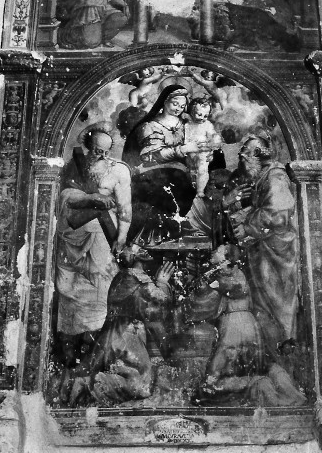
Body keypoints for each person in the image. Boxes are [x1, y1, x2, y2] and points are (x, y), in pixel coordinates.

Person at [182, 244, 307, 407]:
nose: (213, 252)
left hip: (237, 323)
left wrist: (211, 282)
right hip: (239, 322)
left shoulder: (233, 273)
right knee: (240, 363)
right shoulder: (221, 273)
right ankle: (247, 387)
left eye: (218, 251)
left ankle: (241, 388)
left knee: (224, 363)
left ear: (226, 258)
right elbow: (209, 297)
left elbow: (234, 288)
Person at [55, 122, 132, 367]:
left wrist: (121, 238)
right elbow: (62, 197)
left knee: (101, 285)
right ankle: (69, 347)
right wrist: (90, 198)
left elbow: (125, 208)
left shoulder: (118, 170)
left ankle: (94, 347)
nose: (102, 156)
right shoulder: (74, 166)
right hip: (72, 234)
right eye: (97, 150)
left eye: (107, 151)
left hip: (101, 236)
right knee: (67, 287)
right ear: (88, 146)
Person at [68, 245, 175, 406]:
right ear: (146, 257)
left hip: (116, 336)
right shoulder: (136, 278)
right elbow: (157, 308)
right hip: (125, 338)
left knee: (137, 380)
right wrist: (162, 283)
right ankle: (91, 383)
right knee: (141, 385)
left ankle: (90, 382)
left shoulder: (124, 276)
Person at [225, 136, 299, 356]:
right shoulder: (263, 177)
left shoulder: (275, 177)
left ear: (258, 156)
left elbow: (278, 213)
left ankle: (285, 342)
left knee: (277, 296)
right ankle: (271, 347)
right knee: (264, 298)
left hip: (278, 251)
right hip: (266, 249)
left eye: (245, 157)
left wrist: (247, 226)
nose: (243, 162)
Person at [122, 84, 211, 245]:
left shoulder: (186, 124)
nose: (178, 109)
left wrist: (205, 153)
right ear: (164, 101)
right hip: (153, 172)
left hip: (183, 172)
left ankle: (189, 228)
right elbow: (151, 156)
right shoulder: (150, 126)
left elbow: (199, 143)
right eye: (175, 104)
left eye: (182, 106)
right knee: (165, 190)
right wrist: (182, 149)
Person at [184, 96, 222, 198]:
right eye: (199, 114)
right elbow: (185, 139)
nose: (202, 118)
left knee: (202, 170)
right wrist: (188, 148)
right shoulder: (187, 125)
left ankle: (200, 190)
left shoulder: (207, 125)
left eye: (205, 116)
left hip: (203, 153)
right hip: (190, 152)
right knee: (190, 171)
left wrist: (213, 144)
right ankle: (191, 189)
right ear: (192, 112)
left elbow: (213, 137)